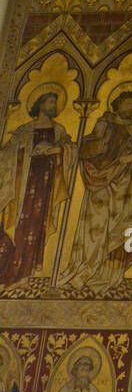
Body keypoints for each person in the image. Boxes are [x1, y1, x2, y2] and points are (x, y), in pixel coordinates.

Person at [60, 89, 132, 295]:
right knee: (97, 227)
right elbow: (88, 148)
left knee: (124, 229)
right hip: (103, 180)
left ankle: (113, 276)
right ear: (117, 104)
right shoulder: (104, 123)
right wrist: (107, 150)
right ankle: (87, 271)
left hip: (126, 186)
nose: (129, 108)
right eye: (126, 104)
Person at [0, 89, 75, 289]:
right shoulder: (25, 130)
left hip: (44, 186)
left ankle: (25, 275)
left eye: (54, 103)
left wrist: (56, 149)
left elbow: (70, 150)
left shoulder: (58, 130)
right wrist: (23, 149)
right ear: (39, 105)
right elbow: (6, 154)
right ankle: (10, 272)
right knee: (17, 226)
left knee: (35, 226)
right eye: (49, 102)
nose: (53, 106)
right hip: (23, 186)